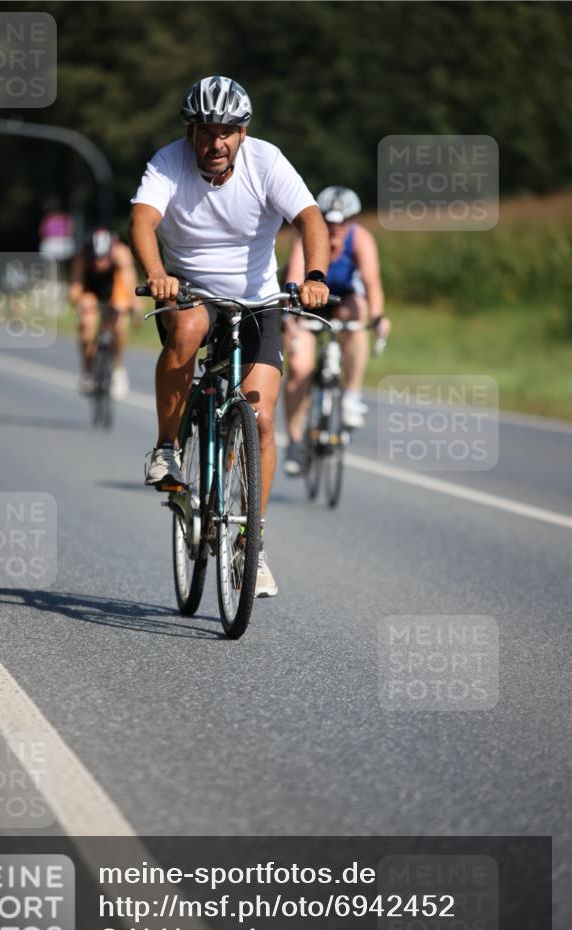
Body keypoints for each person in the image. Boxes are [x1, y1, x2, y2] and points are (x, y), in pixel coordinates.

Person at [130, 75, 330, 597]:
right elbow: (142, 221)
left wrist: (314, 278)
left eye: (226, 132)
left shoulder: (267, 161)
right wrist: (157, 273)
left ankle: (250, 548)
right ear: (190, 131)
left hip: (258, 301)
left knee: (262, 421)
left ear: (243, 132)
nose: (214, 143)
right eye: (204, 131)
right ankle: (168, 448)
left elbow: (310, 219)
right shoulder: (168, 162)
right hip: (189, 291)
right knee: (190, 326)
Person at [282, 186, 391, 475]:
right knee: (299, 367)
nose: (335, 228)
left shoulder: (361, 239)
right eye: (328, 221)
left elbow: (372, 283)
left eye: (343, 221)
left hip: (341, 300)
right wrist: (291, 322)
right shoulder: (304, 236)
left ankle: (352, 396)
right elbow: (294, 277)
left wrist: (379, 318)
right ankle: (294, 440)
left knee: (360, 314)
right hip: (306, 301)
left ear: (352, 220)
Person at [68, 227, 137, 400]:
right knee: (87, 321)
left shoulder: (121, 253)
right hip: (90, 290)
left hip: (115, 288)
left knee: (120, 322)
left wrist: (131, 306)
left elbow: (129, 286)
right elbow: (75, 289)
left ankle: (118, 369)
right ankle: (88, 371)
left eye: (104, 258)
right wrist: (80, 302)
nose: (100, 264)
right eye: (96, 259)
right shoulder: (82, 257)